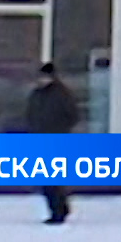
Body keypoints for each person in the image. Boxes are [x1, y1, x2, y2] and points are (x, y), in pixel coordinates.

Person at [26, 61, 81, 224]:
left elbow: (73, 115)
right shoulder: (36, 94)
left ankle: (58, 211)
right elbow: (31, 115)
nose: (41, 80)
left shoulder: (61, 94)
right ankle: (59, 208)